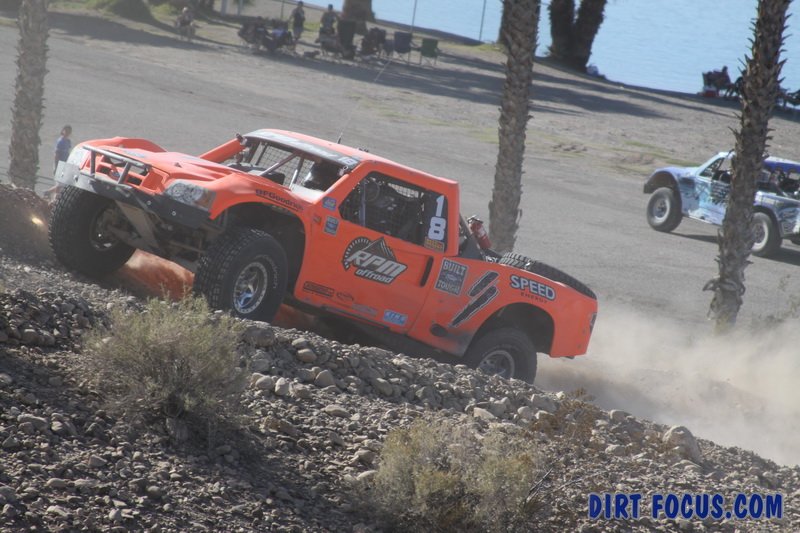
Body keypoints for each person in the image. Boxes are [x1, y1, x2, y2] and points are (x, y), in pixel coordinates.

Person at [45, 125, 72, 204]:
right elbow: (56, 154)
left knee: (63, 184)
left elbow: (67, 152)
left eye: (69, 131)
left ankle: (48, 192)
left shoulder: (68, 141)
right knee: (59, 184)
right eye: (66, 130)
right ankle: (54, 200)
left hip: (65, 165)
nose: (68, 132)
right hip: (59, 164)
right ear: (63, 131)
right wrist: (56, 166)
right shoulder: (60, 141)